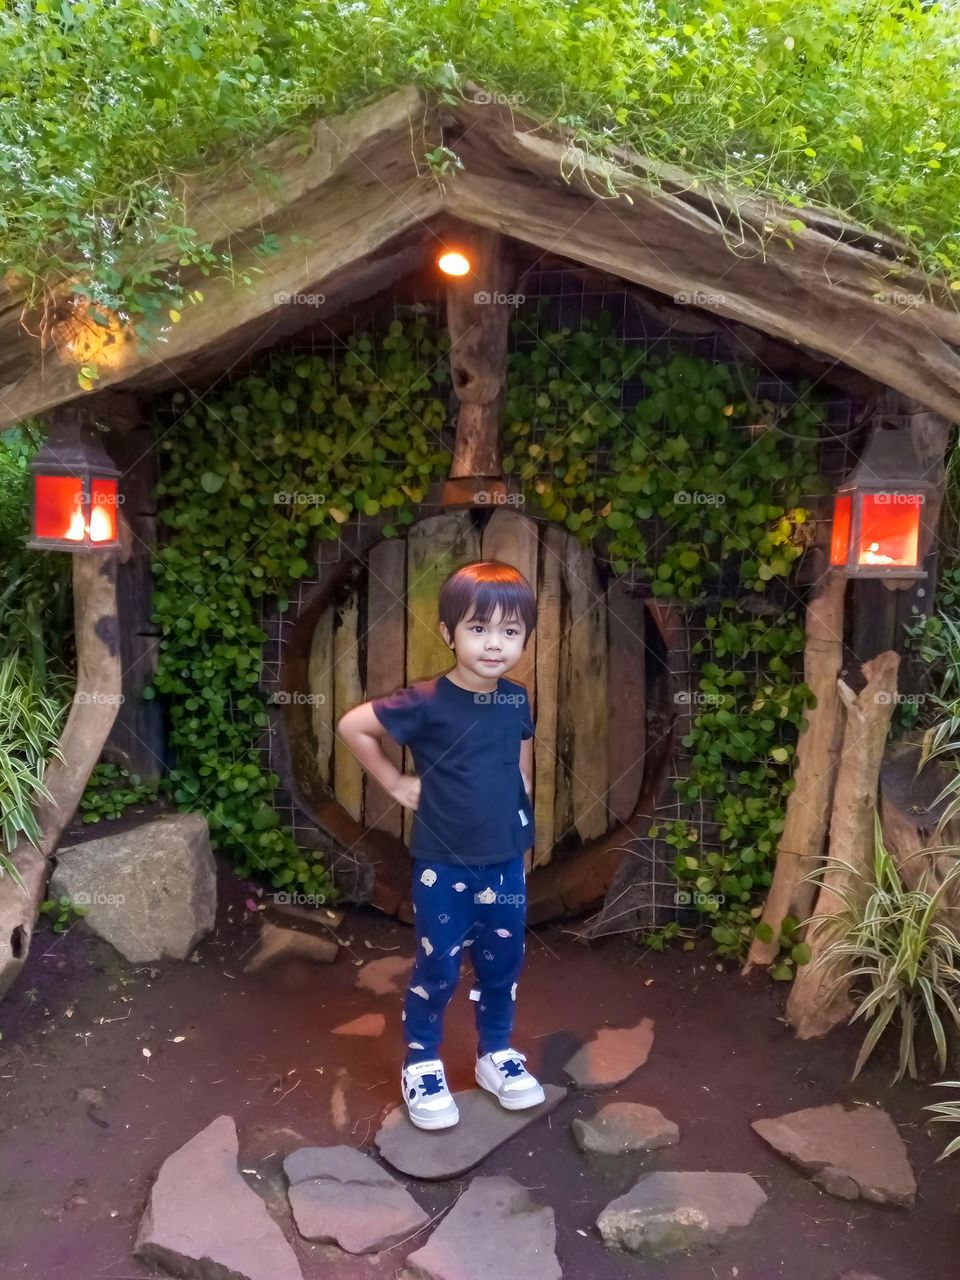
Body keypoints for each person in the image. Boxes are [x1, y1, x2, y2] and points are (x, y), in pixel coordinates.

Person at [336, 560, 546, 1130]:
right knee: (439, 967)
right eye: (478, 628)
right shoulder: (425, 701)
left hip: (503, 863)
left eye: (510, 631)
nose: (495, 644)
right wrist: (397, 783)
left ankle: (496, 1054)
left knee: (504, 963)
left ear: (526, 636)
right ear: (448, 633)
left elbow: (520, 768)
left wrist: (519, 843)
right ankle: (423, 1062)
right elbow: (354, 726)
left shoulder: (515, 700)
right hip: (442, 866)